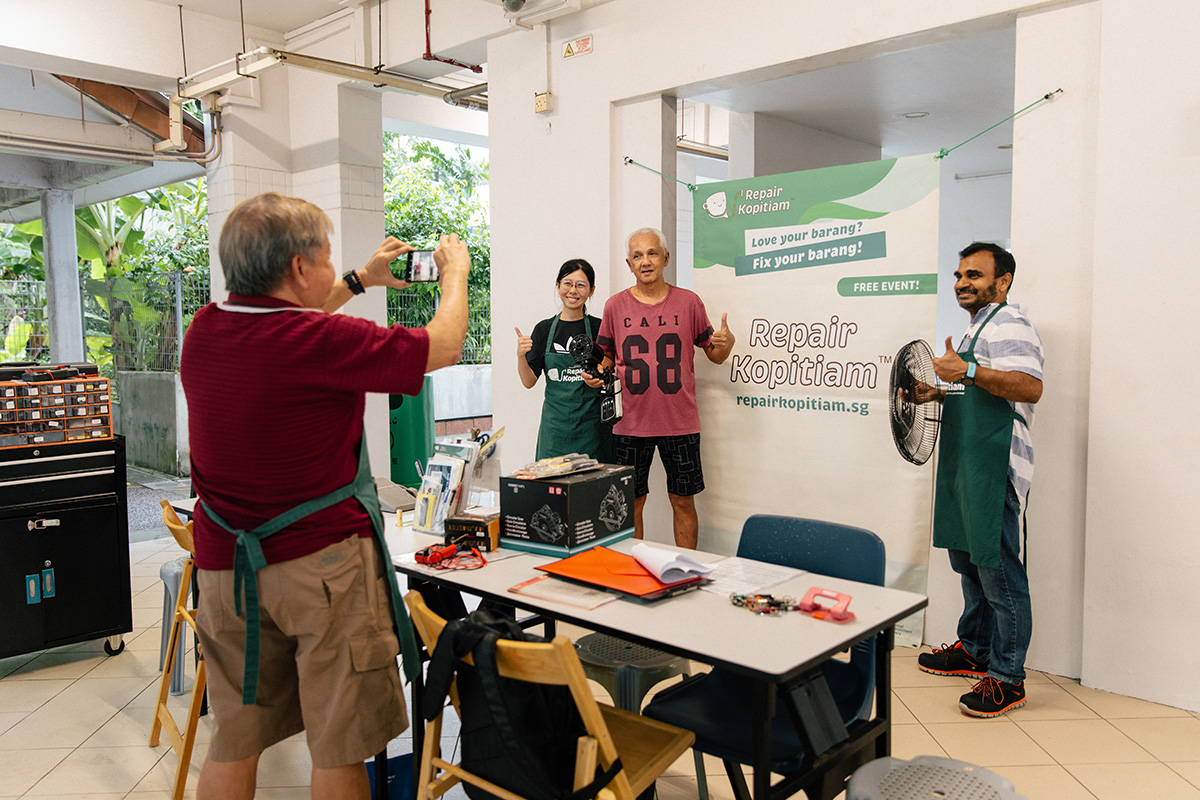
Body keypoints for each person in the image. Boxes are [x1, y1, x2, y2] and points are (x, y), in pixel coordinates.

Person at [180, 192, 470, 800]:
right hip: (323, 573)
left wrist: (360, 279)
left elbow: (286, 320)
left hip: (226, 572)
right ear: (298, 266)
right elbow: (443, 346)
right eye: (327, 255)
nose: (331, 264)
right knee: (340, 746)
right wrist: (455, 274)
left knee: (234, 740)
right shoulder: (325, 342)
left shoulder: (203, 331)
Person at [915, 241, 1044, 718]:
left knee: (999, 574)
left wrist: (967, 369)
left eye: (974, 275)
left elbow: (1030, 387)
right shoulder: (978, 326)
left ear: (1002, 281)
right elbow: (981, 391)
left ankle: (1008, 678)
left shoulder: (1011, 322)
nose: (962, 283)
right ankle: (974, 649)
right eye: (959, 275)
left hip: (995, 466)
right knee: (969, 564)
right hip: (967, 464)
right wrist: (937, 392)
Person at [595, 227, 735, 549]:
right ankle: (634, 569)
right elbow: (606, 355)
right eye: (637, 256)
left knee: (683, 501)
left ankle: (686, 568)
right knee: (630, 502)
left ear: (666, 258)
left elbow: (713, 354)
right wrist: (598, 372)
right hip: (629, 424)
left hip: (680, 422)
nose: (645, 261)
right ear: (629, 264)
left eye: (652, 253)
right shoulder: (614, 306)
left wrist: (726, 344)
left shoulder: (689, 302)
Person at [515, 258, 611, 461]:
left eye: (581, 285)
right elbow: (529, 381)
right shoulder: (544, 329)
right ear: (558, 286)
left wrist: (599, 377)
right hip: (555, 432)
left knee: (591, 480)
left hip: (591, 429)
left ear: (591, 290)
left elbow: (609, 368)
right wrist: (521, 356)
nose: (573, 290)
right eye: (567, 283)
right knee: (552, 481)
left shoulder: (600, 328)